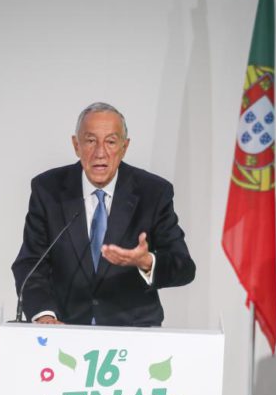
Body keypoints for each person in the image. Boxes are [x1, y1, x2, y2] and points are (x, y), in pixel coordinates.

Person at [12, 102, 195, 326]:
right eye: (90, 141)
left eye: (110, 142)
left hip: (133, 332)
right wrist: (44, 315)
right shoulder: (48, 190)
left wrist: (147, 262)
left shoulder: (153, 193)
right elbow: (30, 264)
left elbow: (184, 267)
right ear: (76, 145)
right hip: (65, 330)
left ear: (124, 147)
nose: (100, 153)